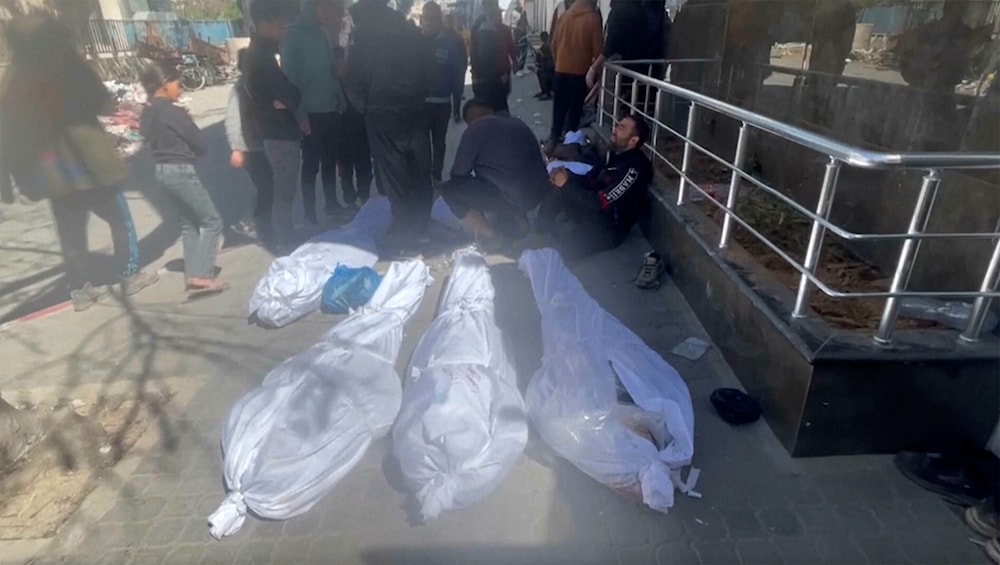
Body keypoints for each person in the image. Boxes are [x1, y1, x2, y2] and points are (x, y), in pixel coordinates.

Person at [0, 14, 158, 312]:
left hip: (55, 177)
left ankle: (80, 290)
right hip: (91, 167)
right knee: (119, 220)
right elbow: (101, 101)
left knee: (70, 233)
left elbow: (6, 134)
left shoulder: (12, 81)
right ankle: (130, 274)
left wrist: (6, 182)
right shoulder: (67, 66)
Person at [345, 0, 434, 240]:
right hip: (415, 113)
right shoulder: (412, 34)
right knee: (420, 171)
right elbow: (430, 73)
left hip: (382, 117)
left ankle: (407, 230)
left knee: (394, 176)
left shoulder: (363, 41)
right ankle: (422, 223)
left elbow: (352, 82)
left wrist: (367, 107)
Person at [140, 63, 227, 297]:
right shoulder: (172, 113)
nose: (180, 88)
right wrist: (186, 121)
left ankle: (193, 274)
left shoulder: (148, 113)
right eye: (177, 83)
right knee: (211, 220)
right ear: (164, 84)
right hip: (180, 170)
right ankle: (202, 275)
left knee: (189, 223)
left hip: (161, 171)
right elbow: (200, 143)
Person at [539, 115, 652, 259]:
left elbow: (600, 202)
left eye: (621, 128)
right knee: (559, 183)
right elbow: (590, 179)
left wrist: (567, 184)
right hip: (592, 211)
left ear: (633, 140)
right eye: (617, 126)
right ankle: (537, 231)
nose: (614, 130)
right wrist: (565, 178)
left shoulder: (634, 169)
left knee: (562, 251)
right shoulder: (613, 153)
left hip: (608, 228)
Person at [441, 98, 549, 240]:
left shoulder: (476, 128)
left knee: (451, 190)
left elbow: (458, 174)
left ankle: (492, 236)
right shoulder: (517, 122)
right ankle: (517, 219)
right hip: (538, 194)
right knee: (502, 176)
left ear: (471, 119)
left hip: (513, 197)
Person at [281, 0, 349, 222]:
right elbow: (290, 78)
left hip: (331, 109)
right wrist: (299, 114)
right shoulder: (293, 36)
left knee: (330, 160)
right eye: (322, 7)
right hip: (309, 113)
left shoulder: (323, 33)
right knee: (311, 164)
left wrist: (339, 98)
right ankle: (310, 212)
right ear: (310, 8)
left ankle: (331, 203)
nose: (327, 12)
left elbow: (332, 70)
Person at [244, 0, 305, 247]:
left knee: (280, 189)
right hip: (278, 133)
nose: (283, 30)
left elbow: (285, 96)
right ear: (263, 25)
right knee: (284, 191)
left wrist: (285, 98)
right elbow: (289, 94)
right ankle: (285, 240)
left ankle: (280, 235)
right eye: (279, 26)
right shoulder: (262, 59)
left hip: (273, 130)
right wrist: (288, 97)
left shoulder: (259, 55)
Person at [225, 48, 273, 240]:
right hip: (249, 148)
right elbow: (232, 120)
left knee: (268, 186)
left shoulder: (258, 86)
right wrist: (236, 148)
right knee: (266, 187)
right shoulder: (239, 90)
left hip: (263, 145)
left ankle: (254, 220)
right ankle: (255, 223)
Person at [421, 1, 467, 184]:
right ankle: (424, 176)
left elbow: (458, 69)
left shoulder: (450, 42)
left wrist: (456, 94)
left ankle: (436, 175)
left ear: (439, 19)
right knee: (421, 144)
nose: (429, 22)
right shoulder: (416, 42)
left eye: (433, 18)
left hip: (442, 102)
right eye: (426, 18)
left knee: (439, 142)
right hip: (420, 103)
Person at [548, 0, 603, 151]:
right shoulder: (592, 18)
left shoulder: (564, 16)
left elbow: (553, 44)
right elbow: (598, 50)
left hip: (560, 70)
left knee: (558, 109)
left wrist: (558, 61)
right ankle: (569, 144)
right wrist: (597, 72)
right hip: (579, 73)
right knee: (574, 112)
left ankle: (553, 140)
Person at [332, 47, 374, 205]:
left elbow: (363, 103)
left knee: (364, 166)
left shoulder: (355, 79)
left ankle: (364, 198)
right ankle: (350, 199)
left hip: (360, 130)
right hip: (341, 133)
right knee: (345, 169)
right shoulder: (331, 84)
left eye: (342, 61)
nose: (340, 65)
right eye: (337, 62)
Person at [470, 0, 517, 113]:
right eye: (495, 14)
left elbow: (511, 47)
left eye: (499, 14)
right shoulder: (479, 29)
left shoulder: (505, 30)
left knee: (501, 100)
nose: (498, 17)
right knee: (490, 106)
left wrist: (515, 62)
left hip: (502, 73)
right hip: (486, 76)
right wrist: (475, 73)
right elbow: (474, 52)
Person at [443, 13, 469, 122]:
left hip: (456, 68)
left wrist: (463, 67)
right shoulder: (441, 37)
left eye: (449, 21)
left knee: (457, 92)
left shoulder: (457, 37)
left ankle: (456, 113)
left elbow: (463, 53)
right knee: (447, 93)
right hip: (445, 69)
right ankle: (449, 112)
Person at [535, 31, 554, 100]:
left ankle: (547, 93)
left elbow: (549, 57)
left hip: (551, 66)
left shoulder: (548, 45)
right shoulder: (545, 45)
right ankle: (544, 91)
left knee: (543, 73)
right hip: (548, 65)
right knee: (540, 72)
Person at [513, 7, 529, 73]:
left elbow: (526, 22)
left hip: (524, 35)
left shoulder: (523, 12)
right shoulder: (514, 13)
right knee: (518, 52)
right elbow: (512, 25)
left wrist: (528, 27)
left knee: (524, 51)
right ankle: (518, 68)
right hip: (518, 36)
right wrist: (519, 28)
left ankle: (521, 67)